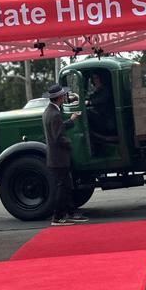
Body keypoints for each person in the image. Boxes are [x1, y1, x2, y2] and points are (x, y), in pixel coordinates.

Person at [42, 84, 88, 226]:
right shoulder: (54, 114)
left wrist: (71, 120)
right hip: (59, 157)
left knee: (65, 186)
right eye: (63, 96)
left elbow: (58, 127)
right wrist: (70, 145)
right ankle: (58, 217)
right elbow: (58, 136)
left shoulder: (48, 112)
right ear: (60, 97)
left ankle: (68, 213)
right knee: (63, 187)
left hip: (55, 157)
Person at [85, 71, 116, 137]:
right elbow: (91, 97)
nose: (94, 81)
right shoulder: (99, 91)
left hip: (108, 120)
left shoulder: (107, 90)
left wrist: (89, 102)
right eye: (93, 79)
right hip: (102, 117)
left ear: (102, 79)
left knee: (86, 113)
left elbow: (101, 99)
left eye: (96, 78)